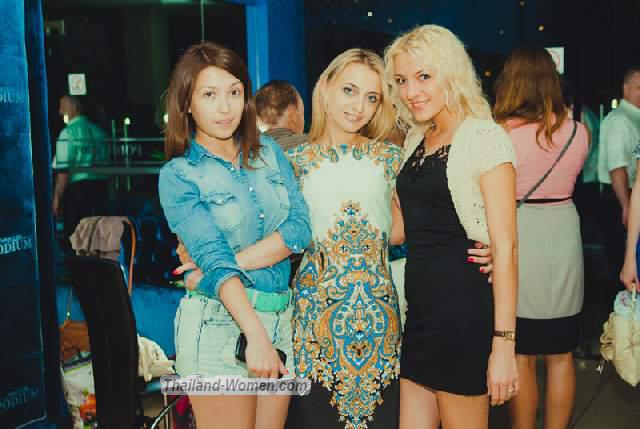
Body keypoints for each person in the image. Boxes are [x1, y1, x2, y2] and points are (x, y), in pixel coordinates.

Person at [158, 41, 311, 429]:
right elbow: (212, 253)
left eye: (234, 92)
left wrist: (224, 264)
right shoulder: (179, 175)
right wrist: (255, 335)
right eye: (209, 95)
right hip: (219, 324)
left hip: (280, 318)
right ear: (187, 103)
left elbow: (300, 229)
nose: (225, 107)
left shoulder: (269, 152)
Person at [384, 25, 519, 429]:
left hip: (463, 314)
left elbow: (506, 248)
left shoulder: (484, 138)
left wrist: (504, 345)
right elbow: (399, 231)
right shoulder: (416, 140)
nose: (411, 91)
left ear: (452, 73)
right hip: (420, 314)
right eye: (402, 80)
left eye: (424, 76)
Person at [494, 46, 589, 429]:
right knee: (562, 354)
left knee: (521, 353)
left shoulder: (501, 134)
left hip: (518, 232)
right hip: (564, 233)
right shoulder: (578, 132)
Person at [597, 67, 640, 287]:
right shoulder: (619, 120)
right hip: (620, 195)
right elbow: (616, 166)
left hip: (630, 195)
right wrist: (626, 204)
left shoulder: (633, 118)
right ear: (626, 88)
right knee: (620, 260)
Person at [52, 94, 110, 248]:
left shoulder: (68, 133)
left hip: (77, 193)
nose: (60, 112)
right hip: (100, 190)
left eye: (63, 107)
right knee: (100, 239)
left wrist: (57, 199)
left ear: (74, 108)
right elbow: (108, 164)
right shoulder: (100, 133)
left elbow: (63, 170)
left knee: (77, 241)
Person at [255, 80, 307, 151]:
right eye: (302, 114)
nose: (304, 121)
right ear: (291, 112)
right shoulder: (316, 146)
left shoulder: (245, 153)